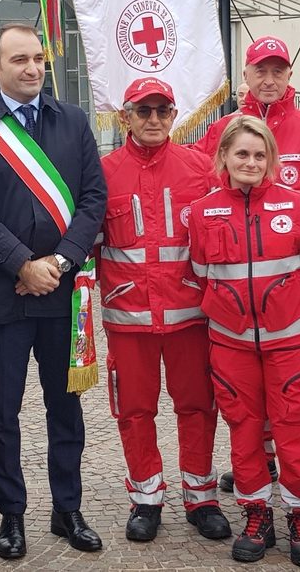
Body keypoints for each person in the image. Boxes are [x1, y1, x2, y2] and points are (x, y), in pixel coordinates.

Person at [0, 24, 107, 560]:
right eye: (19, 60)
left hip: (61, 294)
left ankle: (68, 509)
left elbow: (93, 199)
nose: (32, 68)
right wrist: (23, 263)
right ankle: (11, 514)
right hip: (1, 296)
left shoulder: (74, 121)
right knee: (3, 411)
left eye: (38, 58)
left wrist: (59, 262)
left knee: (66, 410)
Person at [196, 36, 300, 501]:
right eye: (261, 70)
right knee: (248, 400)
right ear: (247, 74)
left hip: (292, 289)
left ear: (289, 76)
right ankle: (260, 466)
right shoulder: (224, 129)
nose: (270, 79)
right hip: (240, 304)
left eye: (278, 70)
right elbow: (198, 182)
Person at [188, 116, 300, 567]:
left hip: (291, 345)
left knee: (292, 431)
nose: (250, 162)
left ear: (272, 160)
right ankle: (256, 513)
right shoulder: (202, 211)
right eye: (241, 153)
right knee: (244, 430)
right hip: (231, 345)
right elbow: (200, 275)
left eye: (259, 154)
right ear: (224, 157)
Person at [98, 76, 230, 544]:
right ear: (125, 116)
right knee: (134, 410)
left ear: (174, 115)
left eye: (163, 110)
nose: (153, 119)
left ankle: (201, 495)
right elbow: (86, 244)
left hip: (190, 316)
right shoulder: (102, 172)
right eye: (143, 110)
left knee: (197, 406)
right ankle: (146, 497)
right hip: (128, 319)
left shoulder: (200, 169)